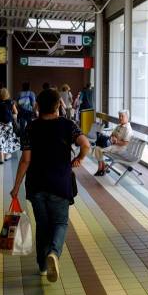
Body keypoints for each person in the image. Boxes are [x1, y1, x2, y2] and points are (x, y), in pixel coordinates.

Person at [10, 89, 91, 282]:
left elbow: (25, 160)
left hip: (36, 185)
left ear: (38, 105)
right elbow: (85, 144)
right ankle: (54, 252)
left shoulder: (30, 127)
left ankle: (42, 267)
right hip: (60, 184)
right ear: (57, 105)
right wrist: (79, 158)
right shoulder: (68, 125)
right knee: (60, 223)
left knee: (43, 226)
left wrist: (16, 187)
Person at [92, 109, 132, 176]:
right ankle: (102, 167)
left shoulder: (128, 129)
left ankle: (101, 168)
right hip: (113, 145)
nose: (120, 118)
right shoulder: (119, 126)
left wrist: (116, 141)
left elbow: (126, 143)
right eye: (119, 116)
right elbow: (112, 135)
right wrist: (112, 138)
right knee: (97, 148)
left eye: (122, 116)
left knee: (98, 149)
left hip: (119, 148)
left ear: (127, 117)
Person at [0, 88, 20, 164]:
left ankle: (1, 158)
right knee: (8, 139)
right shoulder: (11, 102)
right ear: (7, 94)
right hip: (8, 124)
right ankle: (7, 155)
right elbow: (16, 112)